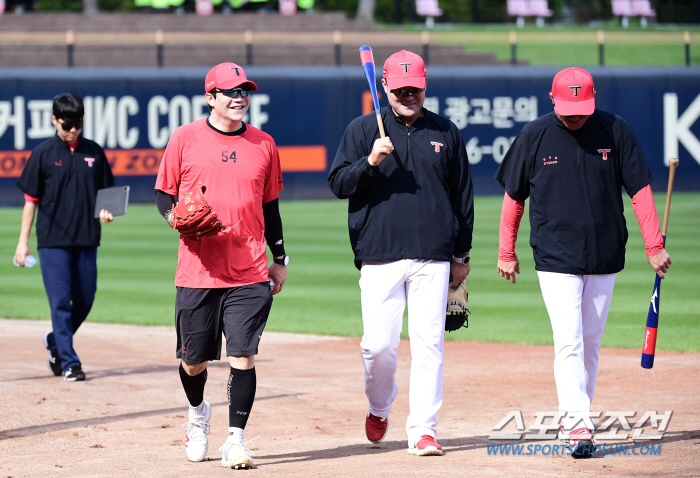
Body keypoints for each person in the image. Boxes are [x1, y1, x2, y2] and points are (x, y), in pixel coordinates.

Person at [494, 67, 672, 458]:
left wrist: (653, 244)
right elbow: (513, 198)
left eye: (582, 106)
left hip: (604, 252)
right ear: (552, 99)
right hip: (554, 255)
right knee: (569, 340)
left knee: (590, 343)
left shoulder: (615, 130)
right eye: (568, 106)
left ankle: (576, 415)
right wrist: (506, 251)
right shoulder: (535, 135)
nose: (575, 114)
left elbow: (640, 190)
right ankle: (578, 424)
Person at [328, 50, 474, 457]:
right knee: (378, 346)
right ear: (385, 86)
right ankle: (379, 406)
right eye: (401, 88)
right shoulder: (361, 131)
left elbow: (463, 196)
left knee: (429, 344)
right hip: (378, 253)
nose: (409, 95)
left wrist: (461, 254)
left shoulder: (446, 131)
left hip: (434, 254)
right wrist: (370, 161)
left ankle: (423, 429)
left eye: (416, 88)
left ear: (425, 86)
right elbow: (338, 183)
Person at [154, 62, 288, 470]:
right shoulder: (185, 138)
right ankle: (198, 414)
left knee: (243, 355)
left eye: (244, 90)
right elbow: (164, 195)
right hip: (198, 269)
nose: (239, 97)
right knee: (193, 360)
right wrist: (176, 218)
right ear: (210, 97)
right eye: (230, 91)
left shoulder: (264, 144)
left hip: (249, 267)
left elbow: (271, 206)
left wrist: (279, 258)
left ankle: (236, 439)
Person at [15, 93, 116, 383]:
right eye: (67, 124)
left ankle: (54, 339)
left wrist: (107, 213)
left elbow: (107, 195)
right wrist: (22, 242)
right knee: (60, 302)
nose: (72, 130)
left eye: (77, 124)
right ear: (54, 120)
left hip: (86, 237)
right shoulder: (43, 154)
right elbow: (30, 200)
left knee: (85, 299)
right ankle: (70, 362)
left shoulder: (94, 152)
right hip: (52, 240)